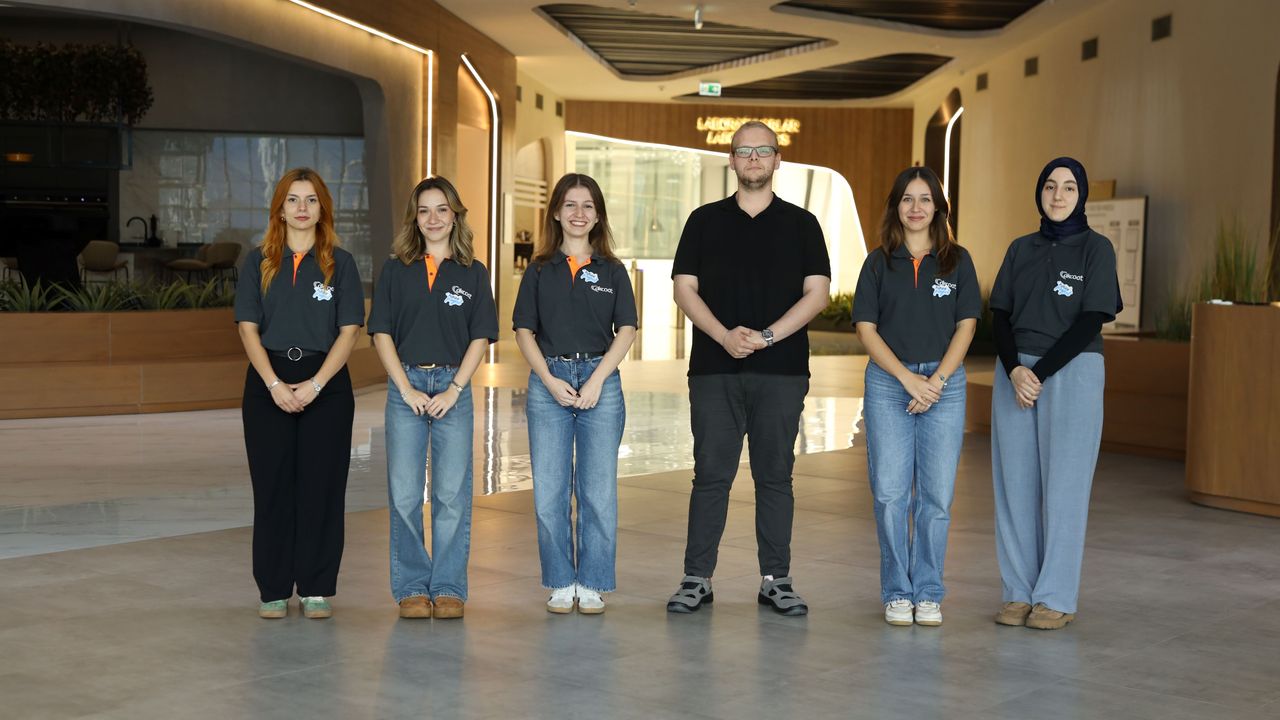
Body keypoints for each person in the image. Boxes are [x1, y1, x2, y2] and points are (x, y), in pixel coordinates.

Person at [666, 120, 831, 616]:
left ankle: (776, 580)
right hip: (714, 371)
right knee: (710, 476)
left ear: (778, 159)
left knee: (775, 477)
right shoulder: (703, 221)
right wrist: (723, 336)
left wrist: (767, 336)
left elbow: (818, 294)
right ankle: (696, 579)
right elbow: (684, 288)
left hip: (781, 371)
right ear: (732, 160)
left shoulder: (803, 224)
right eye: (744, 151)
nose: (754, 158)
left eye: (763, 150)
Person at [989, 157, 1121, 630]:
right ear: (1039, 193)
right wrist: (1014, 370)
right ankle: (1018, 592)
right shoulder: (1020, 248)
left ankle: (1055, 596)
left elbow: (1092, 319)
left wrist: (1037, 374)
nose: (1058, 195)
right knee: (1014, 487)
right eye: (1050, 186)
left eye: (1068, 187)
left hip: (1073, 372)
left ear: (1081, 195)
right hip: (1015, 375)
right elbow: (999, 315)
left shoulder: (1097, 248)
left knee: (1065, 488)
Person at [852, 166, 980, 627]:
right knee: (890, 494)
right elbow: (866, 329)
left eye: (925, 199)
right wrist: (908, 379)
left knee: (936, 497)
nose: (916, 207)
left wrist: (936, 382)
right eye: (907, 198)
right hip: (890, 384)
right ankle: (897, 592)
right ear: (896, 206)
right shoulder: (877, 263)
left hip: (945, 385)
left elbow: (967, 325)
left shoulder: (957, 261)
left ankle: (928, 592)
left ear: (939, 208)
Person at [235, 168, 364, 619]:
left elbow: (349, 331)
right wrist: (274, 383)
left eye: (311, 200)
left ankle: (315, 588)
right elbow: (247, 328)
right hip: (266, 383)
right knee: (272, 488)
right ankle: (272, 589)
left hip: (326, 385)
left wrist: (315, 384)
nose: (302, 208)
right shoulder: (258, 262)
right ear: (280, 209)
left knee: (321, 489)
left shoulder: (341, 264)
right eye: (293, 199)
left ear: (323, 209)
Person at [368, 176, 497, 620]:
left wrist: (455, 388)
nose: (433, 218)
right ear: (415, 218)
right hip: (405, 385)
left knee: (451, 495)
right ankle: (410, 588)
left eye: (442, 209)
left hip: (452, 389)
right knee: (405, 495)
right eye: (424, 211)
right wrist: (405, 389)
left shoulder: (472, 271)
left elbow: (481, 336)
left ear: (455, 215)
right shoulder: (396, 269)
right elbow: (381, 332)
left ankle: (447, 587)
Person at [513, 173, 637, 615]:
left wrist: (598, 379)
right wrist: (549, 380)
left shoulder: (612, 270)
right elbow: (523, 330)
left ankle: (593, 581)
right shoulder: (539, 270)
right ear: (556, 213)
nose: (578, 213)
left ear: (598, 215)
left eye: (587, 205)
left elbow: (626, 329)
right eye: (570, 204)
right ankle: (562, 582)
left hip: (601, 381)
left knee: (597, 492)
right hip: (550, 381)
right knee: (550, 491)